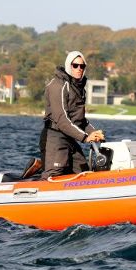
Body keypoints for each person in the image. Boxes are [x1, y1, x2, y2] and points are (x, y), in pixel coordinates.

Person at [39, 51, 105, 179]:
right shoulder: (58, 86)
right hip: (55, 137)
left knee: (83, 172)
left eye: (82, 66)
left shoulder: (80, 88)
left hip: (70, 138)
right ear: (69, 65)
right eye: (75, 65)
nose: (79, 69)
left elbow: (80, 120)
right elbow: (61, 119)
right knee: (53, 176)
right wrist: (85, 137)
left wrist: (94, 133)